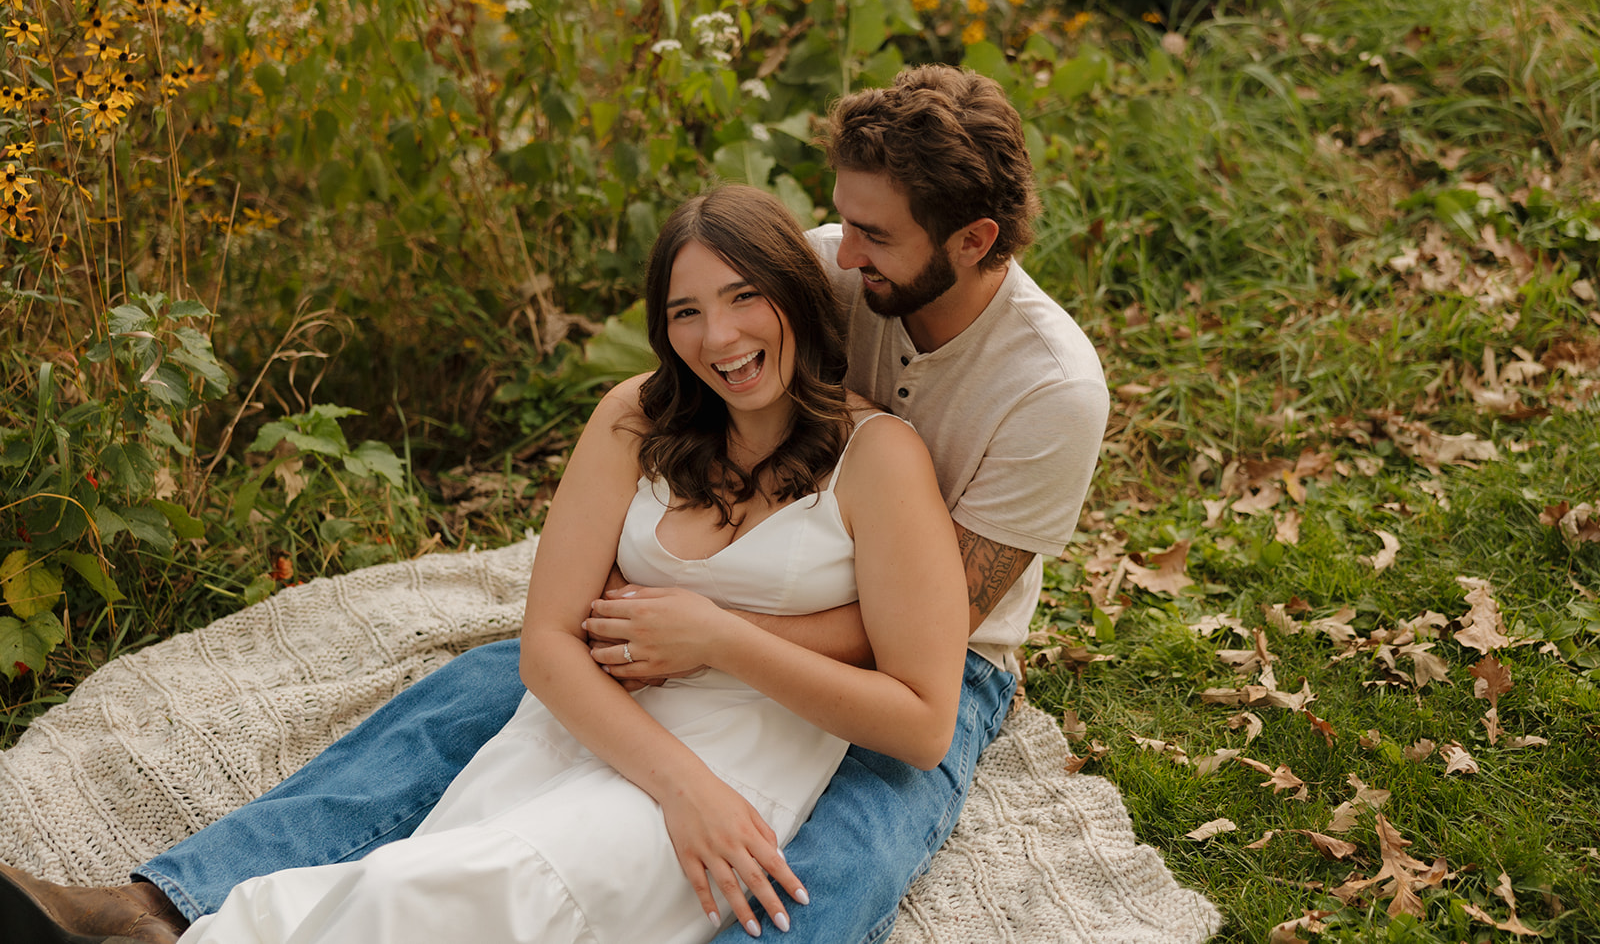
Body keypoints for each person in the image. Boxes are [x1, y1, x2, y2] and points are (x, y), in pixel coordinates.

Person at [0, 64, 1110, 944]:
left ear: (972, 242)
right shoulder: (812, 273)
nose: (840, 253)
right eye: (838, 226)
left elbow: (937, 622)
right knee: (472, 694)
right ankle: (168, 908)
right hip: (737, 591)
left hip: (940, 649)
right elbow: (705, 358)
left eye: (873, 237)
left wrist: (708, 635)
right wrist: (655, 627)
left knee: (829, 866)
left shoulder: (1047, 389)